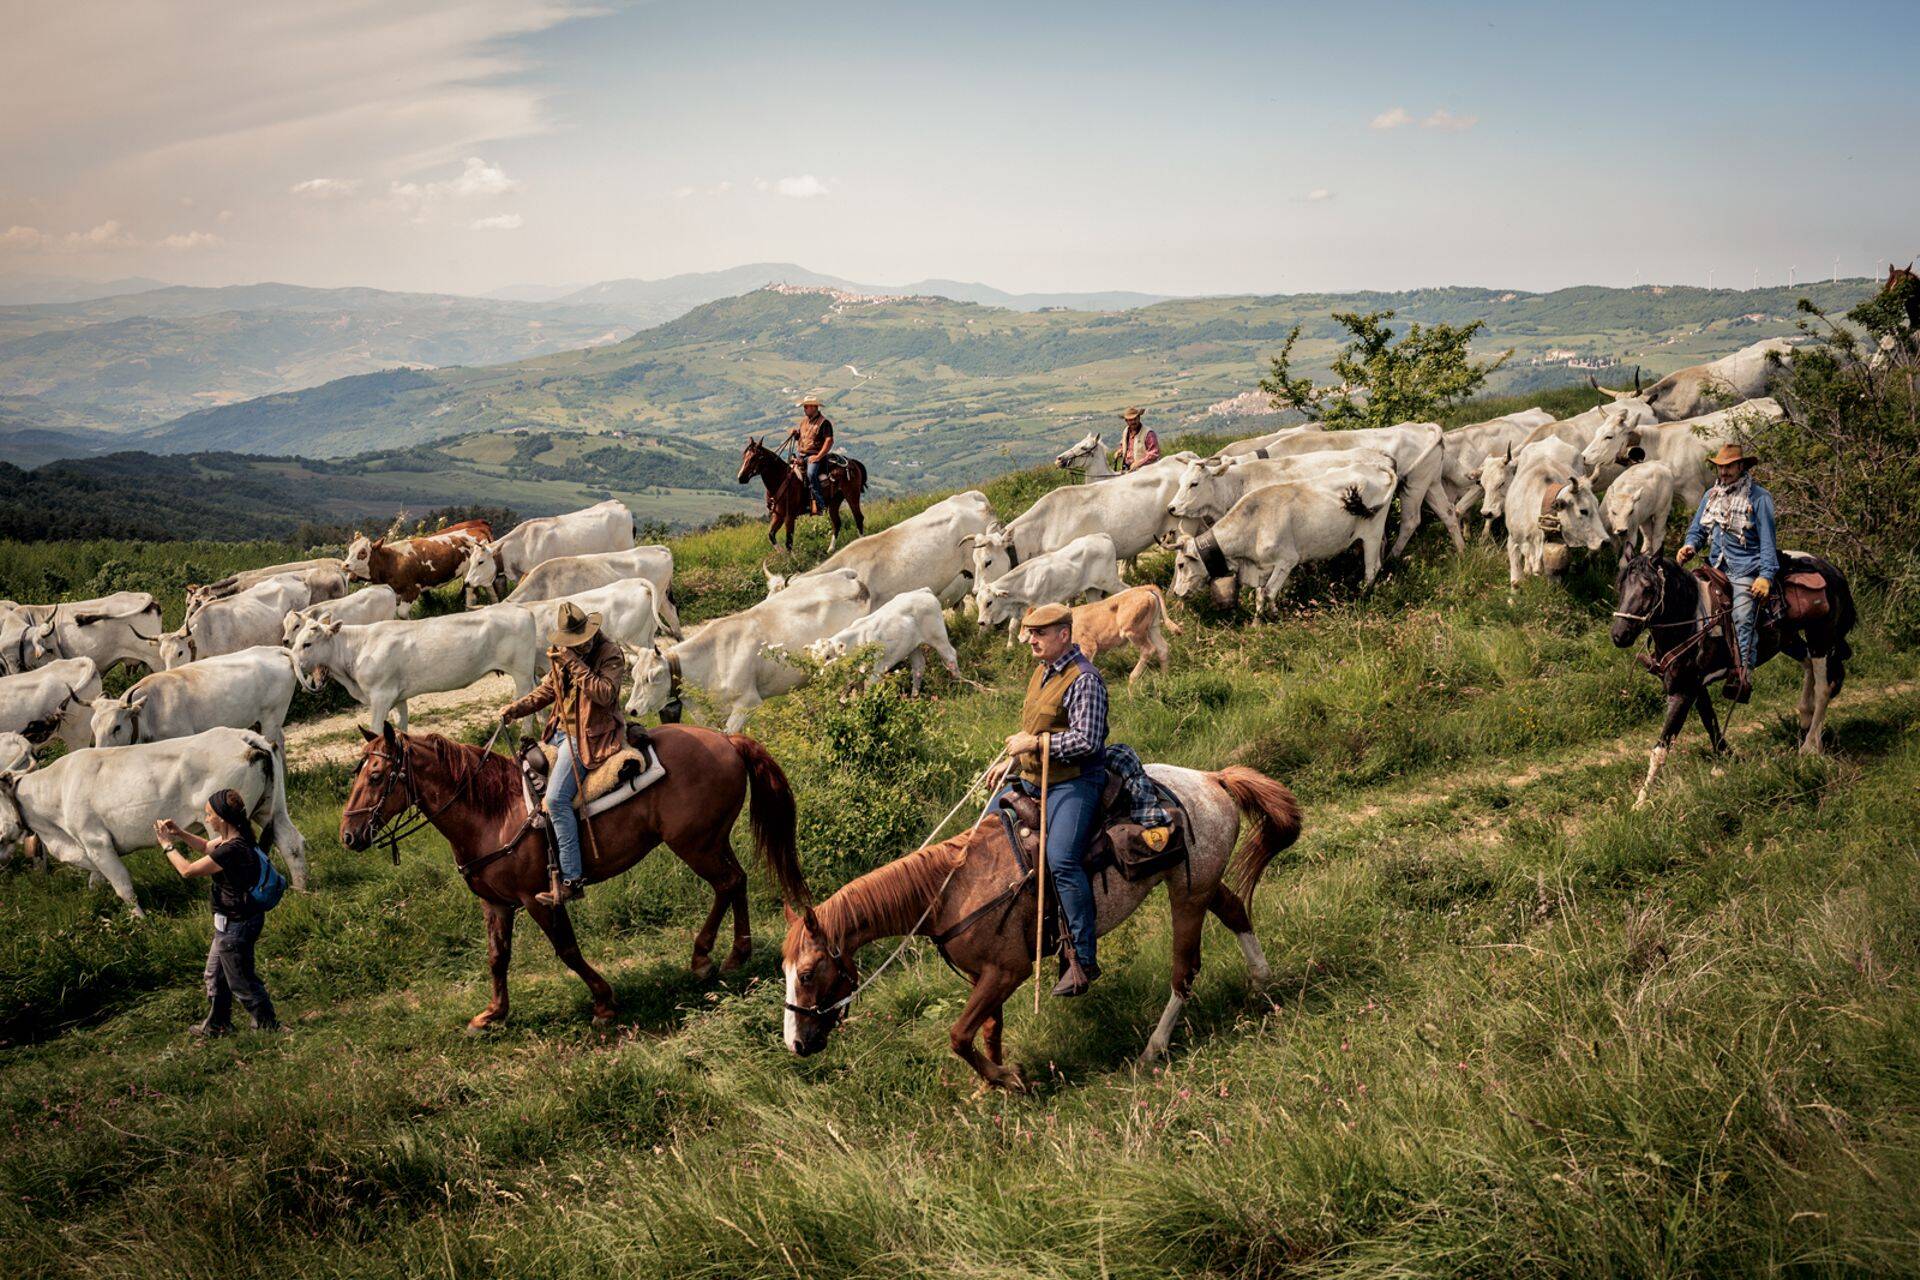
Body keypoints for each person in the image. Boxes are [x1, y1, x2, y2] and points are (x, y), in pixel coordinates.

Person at [991, 602, 1109, 997]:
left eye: (1039, 633)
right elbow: (1037, 726)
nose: (1031, 639)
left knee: (1061, 859)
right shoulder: (1042, 672)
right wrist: (1013, 761)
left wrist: (1035, 743)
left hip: (1074, 781)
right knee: (986, 834)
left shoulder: (1084, 679)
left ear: (1064, 634)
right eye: (1029, 632)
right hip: (1033, 777)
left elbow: (1086, 741)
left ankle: (1082, 958)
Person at [500, 601, 628, 906]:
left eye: (579, 642)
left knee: (556, 800)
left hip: (589, 736)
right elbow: (547, 690)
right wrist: (516, 709)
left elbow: (604, 694)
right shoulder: (565, 657)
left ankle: (572, 878)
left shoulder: (609, 654)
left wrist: (573, 663)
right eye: (572, 643)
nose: (576, 647)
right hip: (558, 733)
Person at [155, 790, 280, 1037]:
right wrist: (179, 832)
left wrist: (167, 845)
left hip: (237, 924)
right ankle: (217, 1025)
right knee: (215, 974)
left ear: (222, 818)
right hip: (231, 923)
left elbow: (188, 870)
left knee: (241, 980)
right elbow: (205, 846)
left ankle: (268, 1025)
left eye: (209, 814)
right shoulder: (234, 838)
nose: (207, 818)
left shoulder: (231, 850)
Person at [1678, 443, 1778, 703]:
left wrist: (1765, 576)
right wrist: (1689, 546)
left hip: (1745, 568)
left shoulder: (1759, 498)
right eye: (1720, 467)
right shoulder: (1712, 495)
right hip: (1715, 567)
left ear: (1741, 466)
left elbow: (1768, 542)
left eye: (1729, 466)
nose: (1723, 472)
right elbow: (1697, 531)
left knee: (1743, 615)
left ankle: (1741, 673)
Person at [781, 393, 835, 515]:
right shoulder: (804, 422)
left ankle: (821, 506)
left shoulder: (824, 423)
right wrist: (795, 434)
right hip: (801, 455)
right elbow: (803, 437)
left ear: (814, 407)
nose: (804, 409)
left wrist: (818, 456)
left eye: (806, 407)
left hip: (815, 456)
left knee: (811, 474)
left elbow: (829, 441)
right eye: (804, 407)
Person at [1118, 407, 1159, 472]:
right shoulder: (1126, 431)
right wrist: (1120, 451)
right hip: (1127, 468)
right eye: (1130, 420)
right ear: (1126, 421)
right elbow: (1123, 444)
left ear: (1139, 418)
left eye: (1135, 419)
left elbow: (1154, 454)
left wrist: (1138, 463)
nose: (1133, 422)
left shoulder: (1148, 433)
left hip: (1145, 470)